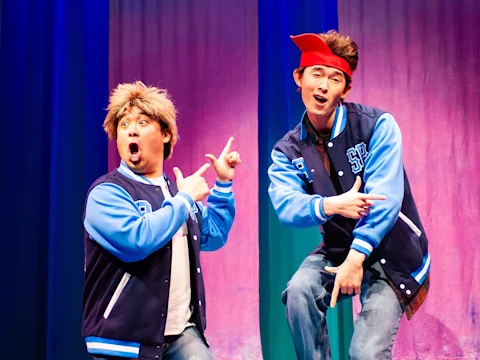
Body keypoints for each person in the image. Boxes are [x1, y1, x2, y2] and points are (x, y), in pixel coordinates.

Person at [268, 31, 430, 360]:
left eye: (334, 78)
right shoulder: (287, 150)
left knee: (365, 355)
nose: (323, 86)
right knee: (299, 291)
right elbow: (286, 205)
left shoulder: (377, 126)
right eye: (316, 74)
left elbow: (385, 198)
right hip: (338, 249)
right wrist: (330, 205)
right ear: (299, 78)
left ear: (345, 88)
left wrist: (357, 259)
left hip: (391, 255)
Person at [82, 81, 241, 360]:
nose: (131, 129)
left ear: (166, 134)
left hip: (180, 334)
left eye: (142, 122)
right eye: (124, 125)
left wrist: (224, 185)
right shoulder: (106, 193)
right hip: (123, 340)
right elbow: (137, 240)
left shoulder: (177, 194)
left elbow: (213, 234)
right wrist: (183, 201)